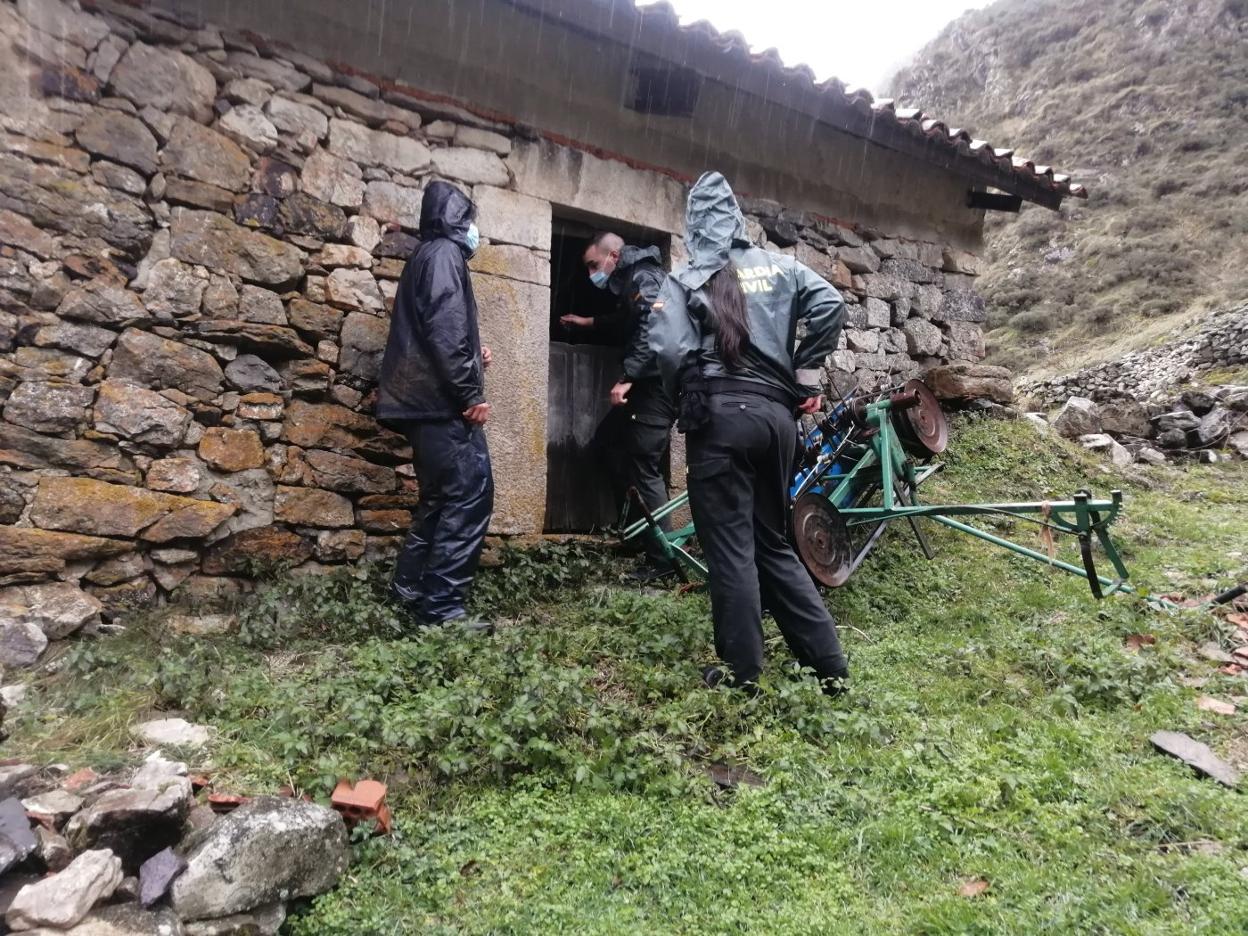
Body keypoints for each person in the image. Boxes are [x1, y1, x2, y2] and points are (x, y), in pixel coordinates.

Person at [649, 171, 849, 693]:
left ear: (694, 227)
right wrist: (806, 374)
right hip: (778, 423)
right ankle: (830, 668)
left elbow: (669, 350)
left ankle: (742, 676)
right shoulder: (781, 268)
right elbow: (831, 305)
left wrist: (685, 394)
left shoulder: (685, 278)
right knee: (773, 543)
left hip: (722, 421)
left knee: (731, 549)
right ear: (737, 220)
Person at [377, 181, 494, 632]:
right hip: (441, 405)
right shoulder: (445, 254)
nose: (475, 232)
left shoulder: (425, 256)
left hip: (419, 404)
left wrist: (473, 350)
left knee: (439, 498)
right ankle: (442, 611)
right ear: (458, 220)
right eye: (472, 222)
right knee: (469, 497)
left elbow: (437, 329)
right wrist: (470, 394)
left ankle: (410, 589)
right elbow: (445, 327)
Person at [560, 232, 676, 576]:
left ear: (613, 255)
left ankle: (664, 562)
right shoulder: (631, 279)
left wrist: (628, 375)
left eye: (594, 265)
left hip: (656, 389)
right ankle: (640, 530)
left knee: (645, 468)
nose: (592, 273)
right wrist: (588, 322)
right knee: (607, 443)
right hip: (645, 388)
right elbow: (627, 319)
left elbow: (653, 325)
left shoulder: (644, 276)